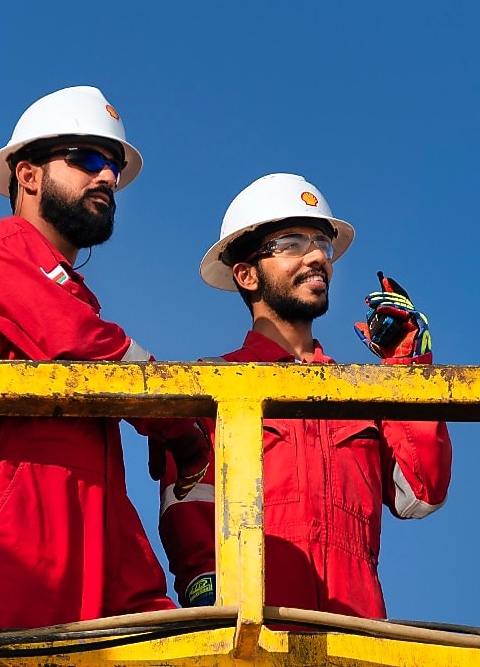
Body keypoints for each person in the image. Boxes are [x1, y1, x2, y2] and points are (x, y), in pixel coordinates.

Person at [0, 86, 211, 629]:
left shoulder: (67, 288)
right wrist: (182, 422)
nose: (106, 176)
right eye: (86, 159)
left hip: (97, 518)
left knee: (169, 640)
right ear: (28, 175)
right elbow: (83, 348)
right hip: (15, 524)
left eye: (113, 165)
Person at [156, 173, 452, 618]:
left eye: (322, 244)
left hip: (358, 639)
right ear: (246, 274)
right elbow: (190, 514)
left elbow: (421, 495)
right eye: (292, 243)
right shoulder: (210, 387)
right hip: (255, 637)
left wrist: (407, 373)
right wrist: (213, 613)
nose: (317, 257)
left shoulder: (360, 395)